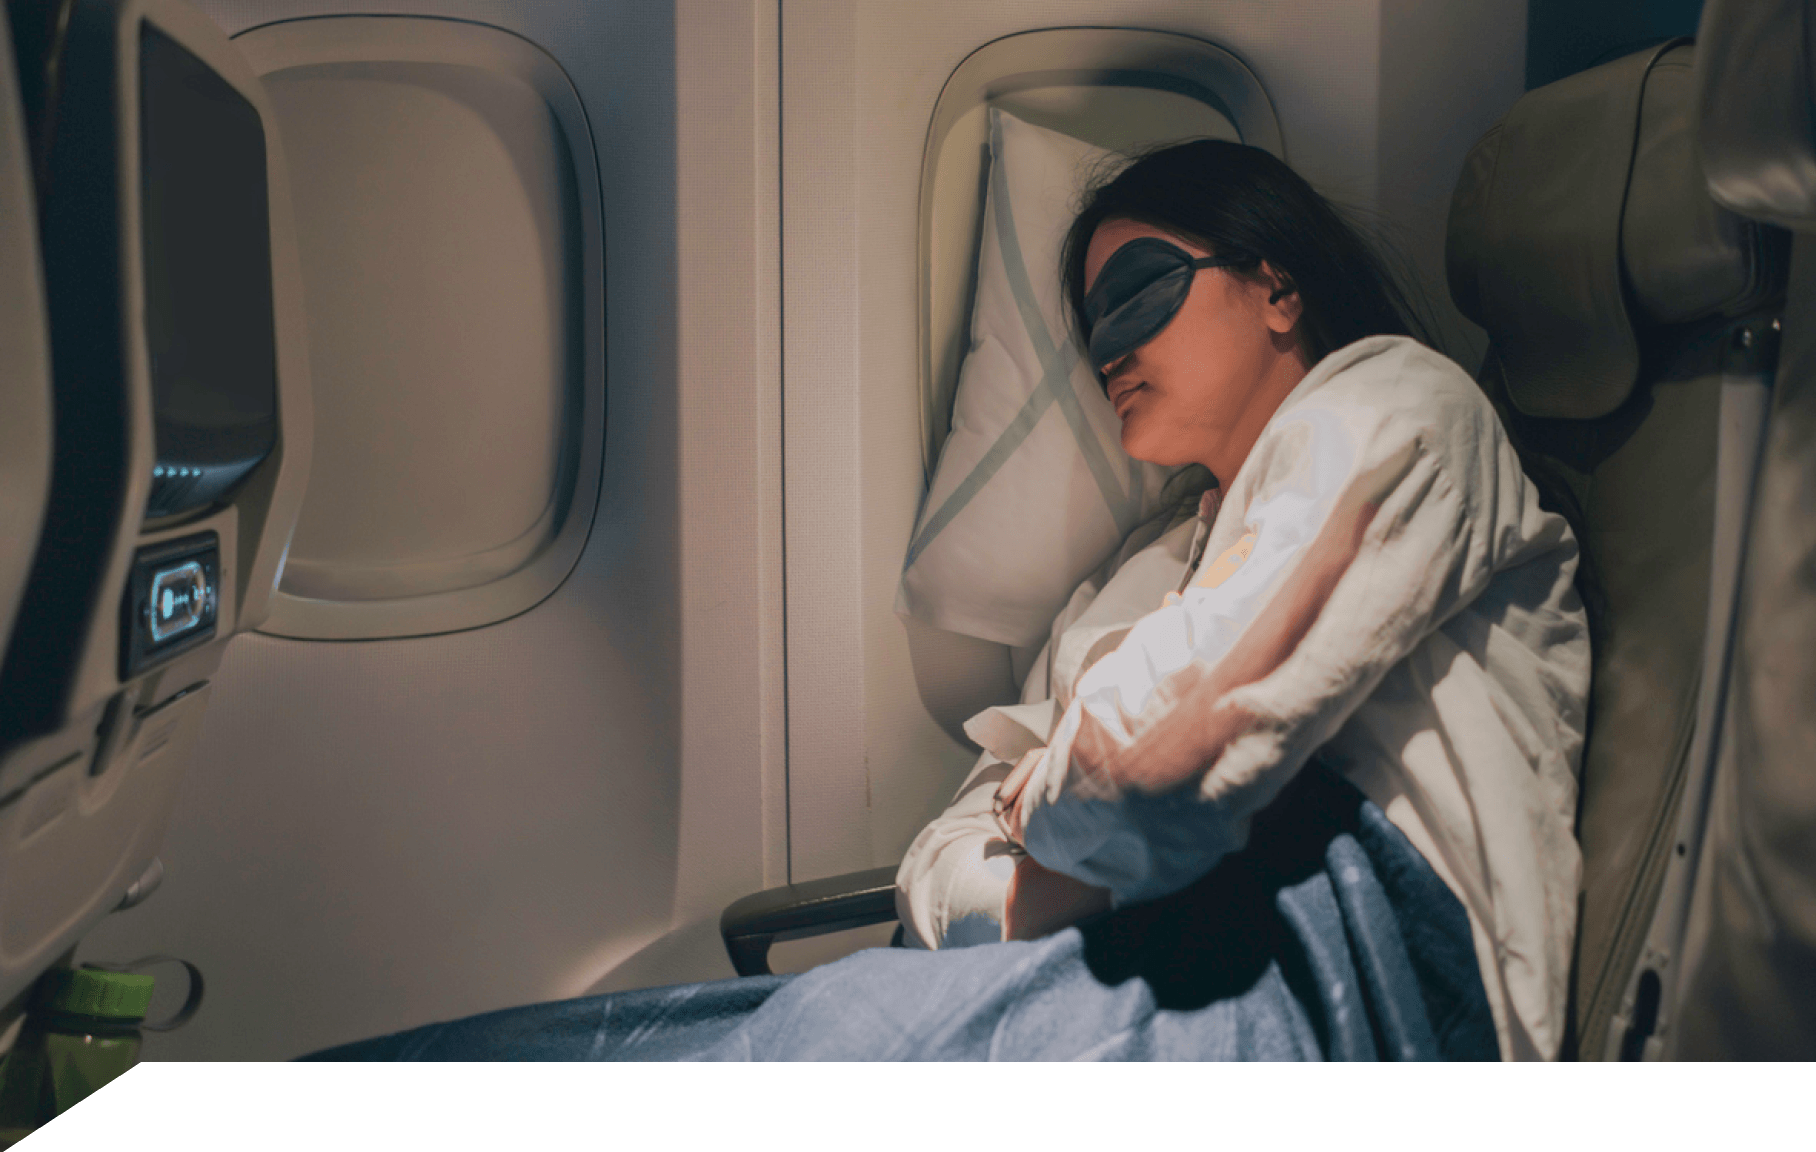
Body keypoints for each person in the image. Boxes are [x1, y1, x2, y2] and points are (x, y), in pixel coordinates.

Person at [308, 140, 1585, 1063]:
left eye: (1139, 291)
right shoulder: (1139, 576)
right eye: (1089, 324)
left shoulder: (1392, 408)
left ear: (1276, 287)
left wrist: (1058, 812)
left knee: (806, 1044)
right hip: (1124, 948)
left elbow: (1161, 763)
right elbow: (950, 852)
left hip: (1349, 973)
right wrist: (1046, 859)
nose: (1108, 346)